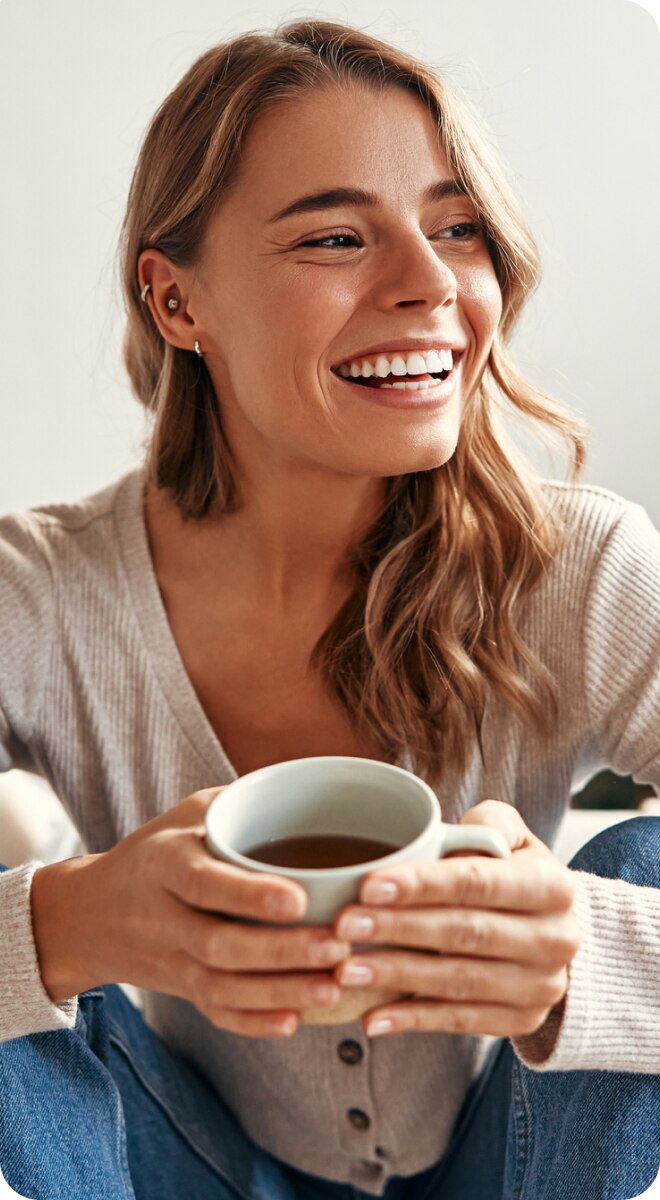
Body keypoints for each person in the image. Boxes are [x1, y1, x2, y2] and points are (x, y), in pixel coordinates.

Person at [0, 17, 658, 1200]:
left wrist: (580, 962)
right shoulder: (43, 599)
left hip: (522, 1164)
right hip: (186, 1168)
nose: (433, 285)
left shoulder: (583, 570)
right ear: (176, 300)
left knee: (638, 863)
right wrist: (70, 923)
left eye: (459, 227)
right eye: (338, 237)